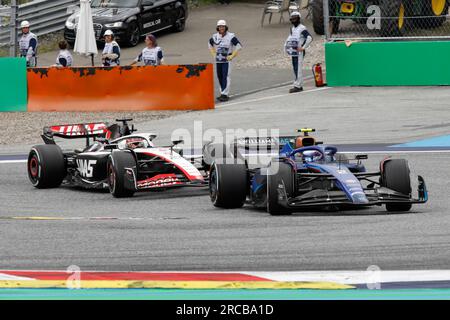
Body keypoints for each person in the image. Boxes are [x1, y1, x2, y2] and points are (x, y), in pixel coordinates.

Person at [208, 19, 242, 102]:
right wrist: (213, 54)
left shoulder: (231, 36)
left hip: (227, 59)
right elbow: (209, 44)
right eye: (220, 26)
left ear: (225, 27)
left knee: (226, 76)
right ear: (217, 27)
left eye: (223, 26)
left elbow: (239, 46)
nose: (221, 28)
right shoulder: (215, 36)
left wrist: (233, 55)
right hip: (218, 59)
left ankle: (225, 94)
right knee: (220, 76)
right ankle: (222, 92)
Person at [285, 11, 313, 93]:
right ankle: (297, 84)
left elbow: (309, 38)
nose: (293, 20)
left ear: (299, 19)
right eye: (292, 18)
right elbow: (290, 38)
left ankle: (298, 86)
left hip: (299, 51)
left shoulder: (302, 28)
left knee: (298, 68)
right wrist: (286, 47)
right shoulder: (292, 28)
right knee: (295, 67)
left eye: (295, 18)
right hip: (293, 51)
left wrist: (303, 48)